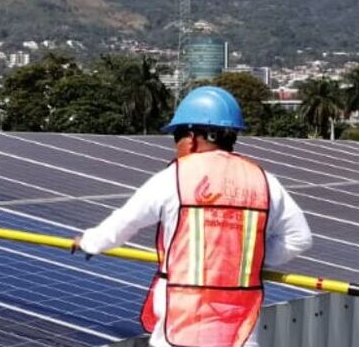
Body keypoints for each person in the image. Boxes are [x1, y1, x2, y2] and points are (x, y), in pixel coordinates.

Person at [72, 86, 312, 347]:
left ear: (192, 137)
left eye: (177, 135)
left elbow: (124, 223)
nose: (176, 145)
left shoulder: (174, 177)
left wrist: (89, 242)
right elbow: (300, 237)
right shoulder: (263, 180)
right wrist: (251, 260)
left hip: (182, 325)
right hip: (239, 333)